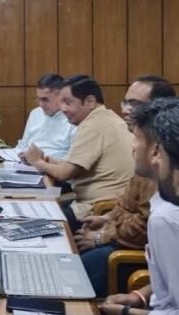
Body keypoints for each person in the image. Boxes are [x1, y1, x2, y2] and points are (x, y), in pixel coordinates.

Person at [100, 97, 179, 315]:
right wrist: (140, 296)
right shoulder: (164, 202)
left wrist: (128, 313)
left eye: (136, 138)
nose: (132, 146)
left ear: (156, 151)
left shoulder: (167, 219)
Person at [75, 76, 175, 297]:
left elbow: (144, 226)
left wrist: (103, 236)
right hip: (127, 239)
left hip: (135, 254)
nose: (126, 110)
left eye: (135, 104)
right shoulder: (146, 155)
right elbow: (127, 203)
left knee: (80, 268)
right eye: (126, 102)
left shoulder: (163, 165)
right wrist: (106, 218)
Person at [23, 75, 134, 230]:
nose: (63, 109)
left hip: (100, 209)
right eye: (61, 102)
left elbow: (64, 173)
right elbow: (73, 164)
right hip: (102, 203)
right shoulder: (105, 118)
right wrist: (46, 159)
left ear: (90, 101)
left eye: (68, 103)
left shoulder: (93, 126)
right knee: (41, 208)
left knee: (33, 223)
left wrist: (37, 162)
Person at [16, 73, 76, 159]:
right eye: (38, 99)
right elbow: (23, 145)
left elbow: (73, 159)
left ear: (61, 97)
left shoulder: (74, 118)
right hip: (25, 163)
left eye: (45, 99)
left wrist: (41, 160)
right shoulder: (35, 113)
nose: (40, 104)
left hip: (54, 165)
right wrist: (19, 154)